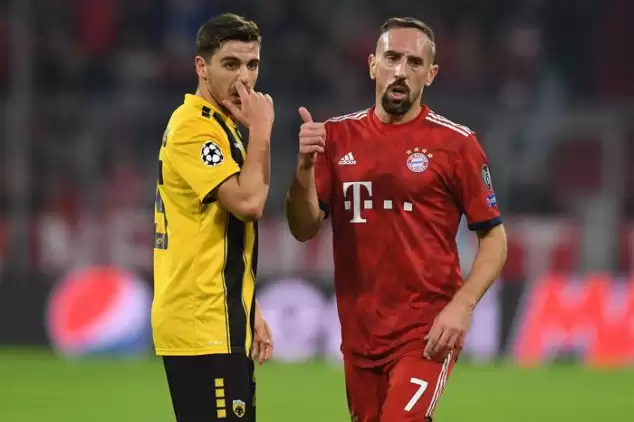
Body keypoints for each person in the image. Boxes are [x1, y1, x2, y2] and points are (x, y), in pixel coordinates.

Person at [285, 17, 508, 422]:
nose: (401, 70)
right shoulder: (335, 138)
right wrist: (303, 169)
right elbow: (303, 228)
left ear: (431, 74)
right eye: (392, 58)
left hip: (426, 332)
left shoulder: (457, 144)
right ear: (373, 65)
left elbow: (494, 238)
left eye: (414, 62)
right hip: (359, 334)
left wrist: (462, 306)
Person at [152, 13, 274, 422]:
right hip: (201, 322)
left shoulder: (223, 126)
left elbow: (227, 228)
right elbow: (249, 203)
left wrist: (250, 309)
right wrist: (262, 131)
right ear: (201, 67)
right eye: (231, 64)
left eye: (252, 65)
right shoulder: (193, 128)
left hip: (220, 317)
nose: (244, 78)